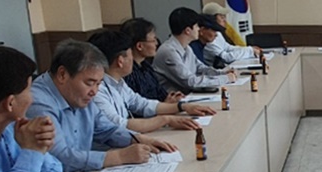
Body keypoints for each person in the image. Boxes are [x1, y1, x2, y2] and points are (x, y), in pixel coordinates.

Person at [28, 40, 176, 172]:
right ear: (62, 75)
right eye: (90, 83)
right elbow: (60, 157)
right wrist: (118, 157)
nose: (94, 91)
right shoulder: (38, 103)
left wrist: (137, 139)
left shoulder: (79, 94)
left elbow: (106, 129)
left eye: (98, 84)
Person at [87, 29, 215, 134]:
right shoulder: (97, 91)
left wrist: (183, 106)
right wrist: (166, 120)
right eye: (130, 54)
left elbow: (142, 104)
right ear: (120, 61)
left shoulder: (118, 82)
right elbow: (119, 125)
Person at [153, 7, 238, 93]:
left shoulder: (186, 47)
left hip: (188, 95)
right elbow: (190, 82)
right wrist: (225, 79)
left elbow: (200, 69)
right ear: (188, 30)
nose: (199, 29)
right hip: (174, 98)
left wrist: (222, 73)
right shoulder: (169, 52)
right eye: (197, 26)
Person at [119, 17, 180, 102]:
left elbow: (161, 92)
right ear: (139, 46)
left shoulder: (146, 67)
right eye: (153, 40)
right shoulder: (128, 73)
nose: (156, 43)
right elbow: (138, 104)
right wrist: (164, 103)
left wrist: (173, 96)